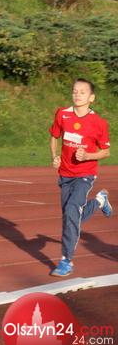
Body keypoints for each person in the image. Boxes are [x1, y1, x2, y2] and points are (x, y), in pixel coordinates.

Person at [49, 78, 112, 277]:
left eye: (82, 92)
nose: (77, 95)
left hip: (85, 174)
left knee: (71, 212)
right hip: (65, 173)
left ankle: (66, 261)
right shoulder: (62, 114)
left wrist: (88, 156)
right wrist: (55, 156)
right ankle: (100, 201)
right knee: (71, 215)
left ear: (91, 98)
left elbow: (106, 152)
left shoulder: (98, 123)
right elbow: (54, 136)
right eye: (75, 91)